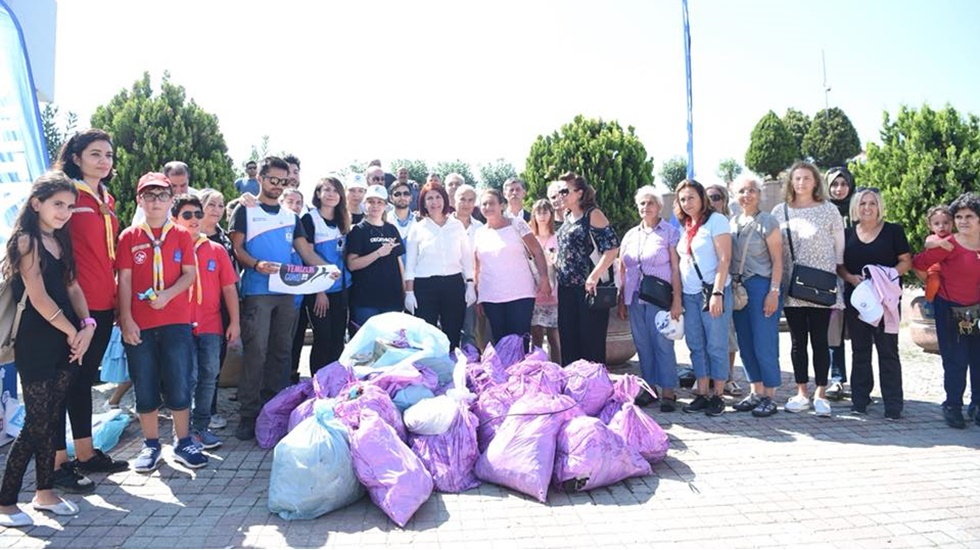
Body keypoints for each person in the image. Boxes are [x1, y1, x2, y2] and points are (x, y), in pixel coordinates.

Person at [0, 173, 89, 527]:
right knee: (35, 423)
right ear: (37, 203)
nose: (65, 212)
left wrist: (87, 327)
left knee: (53, 418)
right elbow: (37, 296)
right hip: (36, 341)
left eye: (69, 206)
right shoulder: (27, 240)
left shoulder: (61, 240)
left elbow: (74, 288)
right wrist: (72, 331)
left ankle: (45, 493)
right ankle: (6, 502)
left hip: (67, 338)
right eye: (58, 204)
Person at [229, 156, 334, 441]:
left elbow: (305, 252)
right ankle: (249, 414)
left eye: (282, 181)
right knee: (256, 353)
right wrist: (256, 265)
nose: (277, 186)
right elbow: (237, 249)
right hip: (257, 293)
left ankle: (275, 410)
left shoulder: (291, 217)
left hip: (287, 294)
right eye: (272, 180)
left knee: (282, 352)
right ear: (260, 179)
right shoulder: (245, 210)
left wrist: (326, 270)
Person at [53, 129, 128, 492]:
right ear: (77, 156)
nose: (104, 161)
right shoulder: (66, 194)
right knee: (62, 383)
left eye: (109, 155)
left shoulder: (105, 198)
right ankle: (55, 464)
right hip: (72, 303)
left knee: (83, 382)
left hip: (102, 302)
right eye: (95, 153)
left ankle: (85, 453)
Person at [117, 172, 207, 472]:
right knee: (144, 383)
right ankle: (151, 444)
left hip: (175, 321)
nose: (155, 202)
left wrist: (168, 295)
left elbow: (190, 274)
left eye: (162, 196)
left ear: (171, 200)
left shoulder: (181, 234)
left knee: (179, 380)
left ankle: (183, 441)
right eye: (149, 196)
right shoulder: (129, 237)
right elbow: (125, 281)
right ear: (139, 200)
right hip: (140, 324)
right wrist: (126, 319)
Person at [772, 161, 845, 417]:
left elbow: (839, 247)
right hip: (793, 285)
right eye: (797, 178)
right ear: (791, 182)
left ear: (815, 181)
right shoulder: (780, 211)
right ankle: (802, 391)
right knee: (797, 341)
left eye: (806, 178)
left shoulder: (829, 210)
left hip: (821, 285)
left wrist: (835, 274)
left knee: (820, 341)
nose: (801, 182)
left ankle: (821, 393)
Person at [170, 195, 240, 448]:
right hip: (178, 325)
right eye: (187, 215)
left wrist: (235, 322)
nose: (194, 220)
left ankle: (201, 427)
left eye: (197, 215)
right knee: (184, 377)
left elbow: (229, 289)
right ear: (174, 218)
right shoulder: (169, 248)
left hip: (211, 325)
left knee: (209, 375)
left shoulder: (216, 249)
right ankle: (182, 431)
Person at [837, 188, 910, 420]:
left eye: (872, 203)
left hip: (886, 301)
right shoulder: (846, 234)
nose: (867, 208)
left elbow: (906, 261)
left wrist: (886, 276)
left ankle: (893, 405)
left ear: (879, 207)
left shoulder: (893, 231)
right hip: (858, 301)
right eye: (862, 203)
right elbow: (839, 265)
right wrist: (850, 278)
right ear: (855, 207)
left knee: (888, 350)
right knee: (860, 351)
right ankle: (859, 400)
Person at [912, 192, 980, 429]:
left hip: (978, 312)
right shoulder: (948, 244)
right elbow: (918, 263)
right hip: (950, 310)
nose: (963, 221)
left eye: (969, 216)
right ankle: (952, 406)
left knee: (978, 360)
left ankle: (977, 406)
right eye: (959, 216)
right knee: (956, 361)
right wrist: (934, 286)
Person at [617, 186, 681, 412]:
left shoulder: (669, 232)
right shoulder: (631, 234)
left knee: (662, 343)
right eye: (642, 203)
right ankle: (649, 388)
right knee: (643, 344)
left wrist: (677, 300)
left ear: (659, 206)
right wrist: (621, 299)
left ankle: (668, 392)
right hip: (635, 297)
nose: (646, 207)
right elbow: (622, 268)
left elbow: (675, 268)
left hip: (659, 297)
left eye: (650, 203)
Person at [675, 179, 733, 416]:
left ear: (702, 198)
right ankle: (702, 392)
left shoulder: (716, 221)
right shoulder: (686, 225)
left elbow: (724, 259)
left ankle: (718, 395)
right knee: (696, 344)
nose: (687, 203)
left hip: (712, 292)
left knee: (716, 344)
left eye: (691, 197)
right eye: (682, 199)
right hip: (690, 294)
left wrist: (717, 293)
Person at [729, 175, 783, 417]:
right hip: (739, 289)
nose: (747, 195)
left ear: (759, 194)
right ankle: (756, 391)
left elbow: (778, 261)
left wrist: (774, 291)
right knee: (746, 343)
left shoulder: (768, 222)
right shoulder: (733, 222)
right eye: (742, 190)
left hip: (762, 286)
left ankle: (770, 396)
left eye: (752, 190)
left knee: (764, 342)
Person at [555, 172, 619, 364]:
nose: (561, 195)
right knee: (569, 339)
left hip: (589, 289)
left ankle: (593, 389)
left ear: (580, 193)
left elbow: (612, 247)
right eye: (559, 191)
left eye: (565, 191)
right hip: (566, 288)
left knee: (591, 342)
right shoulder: (567, 217)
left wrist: (594, 275)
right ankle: (573, 387)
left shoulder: (593, 215)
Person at [404, 183, 475, 350]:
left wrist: (470, 284)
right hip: (425, 286)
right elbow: (410, 264)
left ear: (444, 199)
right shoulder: (417, 228)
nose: (434, 202)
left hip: (453, 284)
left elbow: (466, 257)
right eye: (429, 198)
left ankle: (450, 370)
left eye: (438, 197)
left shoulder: (456, 225)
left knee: (453, 331)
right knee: (427, 335)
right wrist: (409, 292)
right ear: (423, 203)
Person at [474, 189, 550, 343]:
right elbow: (478, 266)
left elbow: (537, 251)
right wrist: (478, 296)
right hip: (491, 297)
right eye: (484, 204)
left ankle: (521, 368)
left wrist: (544, 277)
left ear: (502, 205)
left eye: (492, 203)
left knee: (519, 341)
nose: (487, 207)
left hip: (520, 294)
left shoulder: (517, 224)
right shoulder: (479, 232)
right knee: (500, 341)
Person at [300, 176, 352, 372]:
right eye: (327, 190)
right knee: (323, 338)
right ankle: (317, 384)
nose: (331, 194)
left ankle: (334, 383)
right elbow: (308, 256)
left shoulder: (343, 220)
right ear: (318, 194)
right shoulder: (310, 219)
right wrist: (319, 291)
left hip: (341, 289)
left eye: (336, 190)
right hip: (319, 291)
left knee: (338, 340)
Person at [196, 188, 237, 431]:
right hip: (194, 308)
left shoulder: (224, 239)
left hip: (220, 307)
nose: (216, 210)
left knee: (214, 361)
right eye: (211, 204)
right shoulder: (187, 235)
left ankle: (209, 410)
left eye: (221, 205)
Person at [345, 185, 405, 329]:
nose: (375, 206)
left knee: (391, 345)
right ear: (365, 204)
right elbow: (352, 264)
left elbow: (399, 262)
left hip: (392, 298)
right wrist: (378, 253)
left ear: (385, 205)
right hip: (365, 300)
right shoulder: (358, 230)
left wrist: (405, 291)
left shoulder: (392, 229)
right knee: (366, 346)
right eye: (371, 201)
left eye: (379, 202)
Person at [706, 183, 743, 397]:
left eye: (717, 197)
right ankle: (709, 378)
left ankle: (728, 378)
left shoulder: (732, 225)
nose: (712, 201)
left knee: (727, 335)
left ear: (725, 201)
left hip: (727, 286)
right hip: (701, 288)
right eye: (708, 196)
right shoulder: (697, 225)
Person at [826, 166, 856, 401]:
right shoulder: (823, 211)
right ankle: (837, 379)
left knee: (859, 331)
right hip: (832, 279)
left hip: (858, 279)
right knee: (833, 331)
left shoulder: (860, 209)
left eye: (843, 184)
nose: (839, 189)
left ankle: (861, 379)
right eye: (834, 184)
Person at [529, 199, 561, 364]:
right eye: (538, 212)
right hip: (533, 293)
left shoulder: (557, 238)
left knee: (555, 337)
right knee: (536, 337)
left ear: (551, 214)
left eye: (545, 212)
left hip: (554, 294)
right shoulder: (529, 238)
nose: (542, 216)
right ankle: (538, 369)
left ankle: (557, 369)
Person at [453, 184, 485, 348]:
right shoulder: (445, 224)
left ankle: (470, 365)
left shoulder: (480, 228)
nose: (466, 204)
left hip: (472, 283)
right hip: (448, 282)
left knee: (469, 330)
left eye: (470, 200)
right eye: (462, 199)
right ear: (454, 200)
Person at [130, 161, 197, 227]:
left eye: (183, 185)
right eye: (173, 186)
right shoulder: (149, 200)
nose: (178, 191)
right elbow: (136, 227)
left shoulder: (198, 197)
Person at [912, 206, 952, 303]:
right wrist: (939, 243)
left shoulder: (953, 237)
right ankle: (929, 300)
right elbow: (928, 244)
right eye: (937, 223)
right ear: (930, 226)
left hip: (948, 269)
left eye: (945, 223)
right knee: (934, 281)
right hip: (933, 269)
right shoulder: (933, 238)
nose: (941, 226)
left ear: (952, 224)